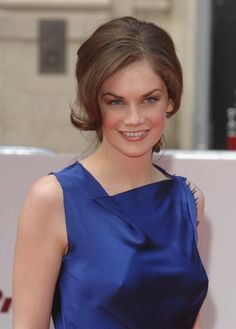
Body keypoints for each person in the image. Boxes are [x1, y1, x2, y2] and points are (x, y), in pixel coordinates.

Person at [13, 16, 208, 329]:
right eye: (116, 101)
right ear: (95, 104)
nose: (134, 119)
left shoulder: (188, 200)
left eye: (149, 99)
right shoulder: (54, 199)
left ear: (170, 100)